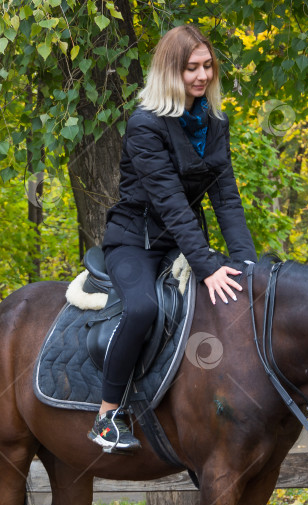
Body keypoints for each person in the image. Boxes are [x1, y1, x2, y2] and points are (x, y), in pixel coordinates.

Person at [88, 25, 258, 452]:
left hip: (184, 242)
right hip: (135, 242)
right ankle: (108, 414)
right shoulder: (145, 125)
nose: (202, 76)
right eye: (190, 69)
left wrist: (246, 263)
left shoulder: (214, 123)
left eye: (207, 66)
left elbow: (227, 199)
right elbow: (169, 203)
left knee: (232, 298)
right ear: (170, 72)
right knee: (143, 308)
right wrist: (207, 266)